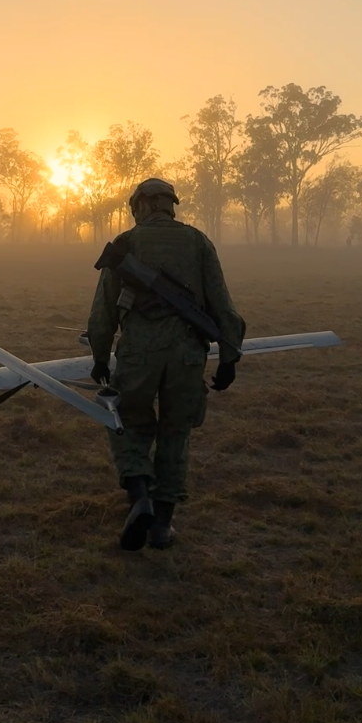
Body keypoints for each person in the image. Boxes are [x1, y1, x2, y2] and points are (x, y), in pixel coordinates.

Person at [86, 178, 245, 551]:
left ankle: (139, 495)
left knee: (124, 421)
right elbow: (222, 303)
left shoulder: (127, 243)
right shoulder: (198, 241)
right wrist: (229, 356)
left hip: (139, 352)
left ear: (140, 204)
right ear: (169, 204)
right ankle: (161, 527)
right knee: (176, 434)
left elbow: (104, 308)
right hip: (188, 354)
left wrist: (98, 354)